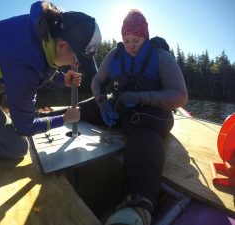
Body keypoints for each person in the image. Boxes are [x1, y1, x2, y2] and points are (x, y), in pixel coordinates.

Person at [0, 1, 102, 160]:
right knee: (16, 147)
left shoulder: (43, 31)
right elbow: (25, 127)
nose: (76, 64)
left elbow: (41, 64)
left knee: (11, 114)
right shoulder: (25, 63)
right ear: (62, 45)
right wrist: (64, 119)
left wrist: (61, 79)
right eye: (77, 58)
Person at [85, 9, 188, 225]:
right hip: (121, 106)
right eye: (127, 40)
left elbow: (180, 97)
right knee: (84, 110)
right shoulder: (114, 55)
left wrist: (140, 97)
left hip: (151, 114)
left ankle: (137, 206)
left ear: (146, 37)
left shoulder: (161, 57)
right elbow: (96, 82)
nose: (131, 45)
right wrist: (103, 103)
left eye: (137, 40)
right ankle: (40, 121)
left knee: (143, 132)